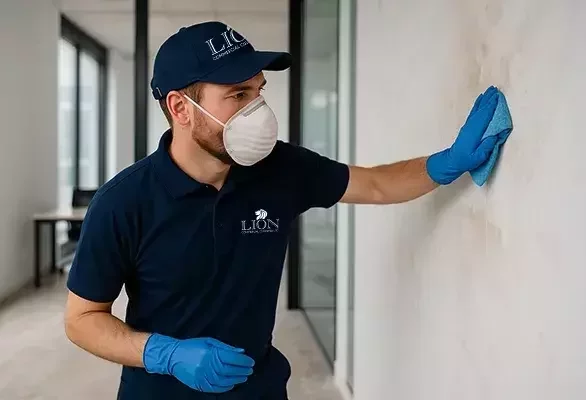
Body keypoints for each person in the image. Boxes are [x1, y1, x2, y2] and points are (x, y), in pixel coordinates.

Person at [64, 21, 500, 400]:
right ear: (180, 107)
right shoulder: (123, 202)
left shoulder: (281, 168)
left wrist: (444, 164)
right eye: (238, 94)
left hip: (260, 389)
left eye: (259, 91)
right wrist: (165, 353)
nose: (258, 110)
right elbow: (82, 319)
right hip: (160, 394)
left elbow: (377, 184)